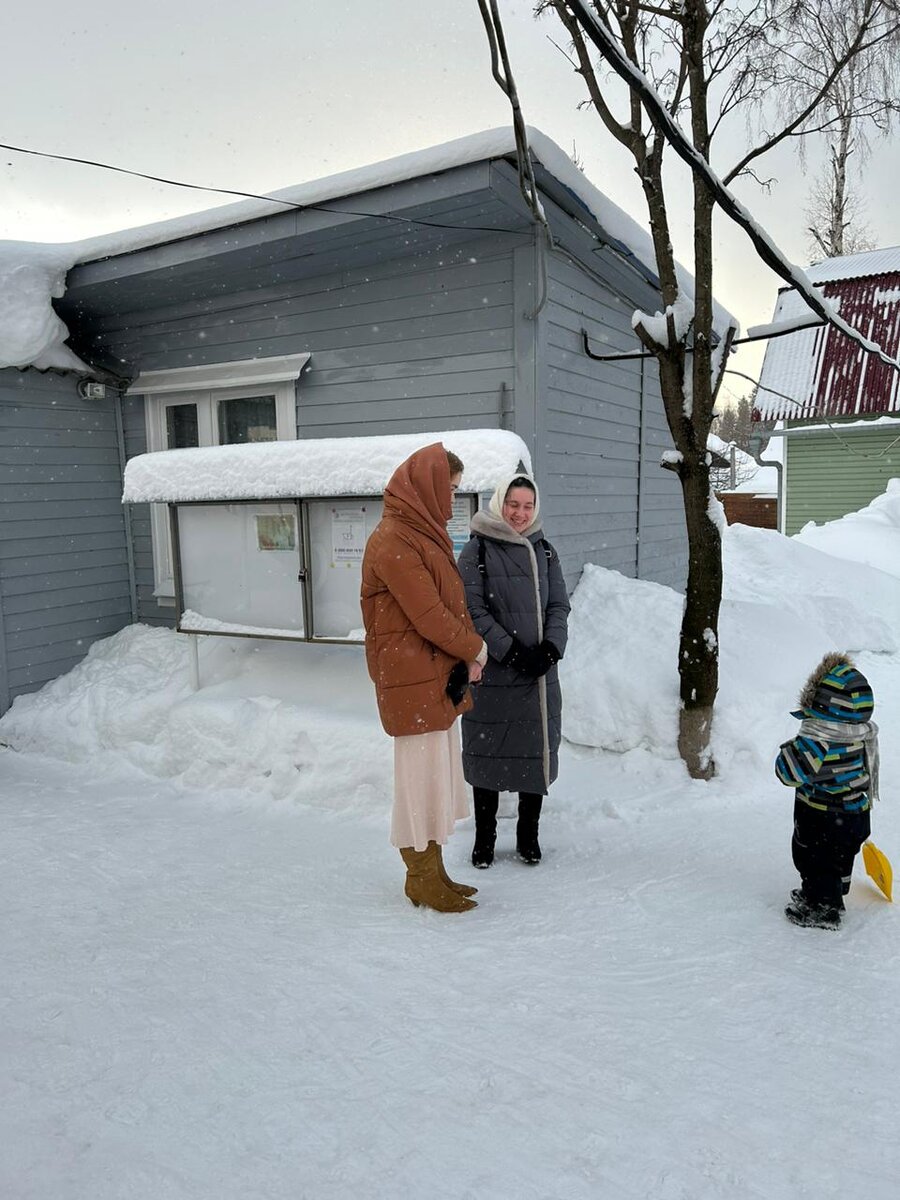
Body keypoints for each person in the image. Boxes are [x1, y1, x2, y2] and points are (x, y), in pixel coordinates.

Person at [361, 443, 487, 913]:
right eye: (449, 490)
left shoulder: (419, 532)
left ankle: (432, 872)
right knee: (418, 783)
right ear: (427, 489)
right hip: (410, 680)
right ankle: (419, 877)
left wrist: (465, 652)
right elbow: (430, 614)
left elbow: (445, 606)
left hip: (429, 677)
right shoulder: (394, 538)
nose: (452, 501)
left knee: (433, 779)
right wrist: (475, 647)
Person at [457, 473, 570, 867]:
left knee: (532, 754)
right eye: (513, 504)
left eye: (527, 506)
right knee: (487, 754)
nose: (520, 513)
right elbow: (472, 611)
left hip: (539, 675)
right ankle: (484, 839)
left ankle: (528, 837)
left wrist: (552, 647)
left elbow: (559, 605)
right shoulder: (477, 551)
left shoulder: (547, 551)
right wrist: (511, 651)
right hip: (493, 673)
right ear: (498, 503)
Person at [775, 652, 880, 930]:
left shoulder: (818, 738)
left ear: (822, 701)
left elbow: (790, 773)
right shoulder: (859, 732)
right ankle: (834, 890)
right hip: (855, 813)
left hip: (823, 816)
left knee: (815, 859)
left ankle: (822, 908)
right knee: (840, 858)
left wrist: (790, 751)